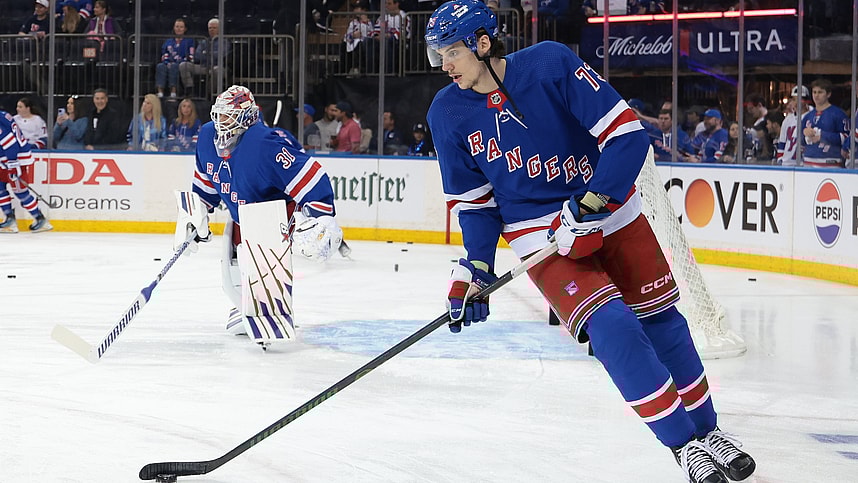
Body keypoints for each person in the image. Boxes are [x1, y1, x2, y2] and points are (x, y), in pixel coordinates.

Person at [423, 2, 755, 482]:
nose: (445, 66)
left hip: (612, 212)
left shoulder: (550, 63)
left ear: (483, 43)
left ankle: (709, 433)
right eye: (438, 56)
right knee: (614, 328)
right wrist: (475, 268)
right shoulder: (447, 112)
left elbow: (628, 137)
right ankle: (685, 446)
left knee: (664, 324)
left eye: (452, 52)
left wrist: (592, 201)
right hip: (542, 238)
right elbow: (476, 205)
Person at [182, 85, 344, 339]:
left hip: (271, 216)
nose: (221, 122)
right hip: (240, 215)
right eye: (219, 115)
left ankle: (271, 309)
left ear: (246, 117)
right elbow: (205, 182)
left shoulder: (264, 144)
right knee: (231, 271)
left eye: (229, 116)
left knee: (258, 261)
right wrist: (195, 214)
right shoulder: (206, 136)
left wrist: (321, 215)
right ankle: (245, 304)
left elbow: (311, 176)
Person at [0, 111, 52, 234]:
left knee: (20, 191)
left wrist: (12, 164)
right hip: (7, 158)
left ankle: (40, 219)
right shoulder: (3, 114)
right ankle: (9, 220)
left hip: (16, 159)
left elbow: (10, 143)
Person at [802, 78, 848, 168]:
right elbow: (800, 142)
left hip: (830, 163)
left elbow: (846, 137)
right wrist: (805, 133)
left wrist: (822, 136)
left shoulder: (838, 114)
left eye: (820, 92)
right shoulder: (807, 116)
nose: (816, 95)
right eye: (814, 92)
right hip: (808, 162)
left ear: (828, 94)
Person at [179, 18, 230, 98]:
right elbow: (197, 55)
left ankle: (209, 93)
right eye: (210, 28)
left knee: (217, 71)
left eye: (214, 28)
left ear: (219, 29)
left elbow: (221, 55)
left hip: (216, 66)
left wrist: (206, 53)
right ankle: (190, 90)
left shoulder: (224, 42)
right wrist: (210, 54)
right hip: (203, 66)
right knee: (183, 65)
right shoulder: (204, 41)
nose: (211, 30)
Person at [362, 0, 410, 73]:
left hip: (398, 41)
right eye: (386, 4)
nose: (386, 6)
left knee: (387, 42)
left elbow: (404, 32)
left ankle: (388, 73)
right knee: (368, 41)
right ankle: (370, 72)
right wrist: (376, 35)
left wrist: (388, 36)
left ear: (396, 4)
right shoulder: (383, 16)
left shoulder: (404, 16)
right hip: (382, 39)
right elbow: (376, 29)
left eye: (389, 4)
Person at [156, 18, 194, 99]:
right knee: (160, 66)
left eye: (181, 27)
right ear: (174, 28)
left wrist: (180, 61)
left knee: (174, 66)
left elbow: (191, 55)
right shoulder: (169, 41)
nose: (179, 29)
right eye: (177, 26)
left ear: (185, 29)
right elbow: (164, 53)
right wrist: (166, 62)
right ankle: (160, 91)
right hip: (168, 62)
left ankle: (173, 91)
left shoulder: (189, 41)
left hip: (181, 63)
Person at [779, 85, 812, 167]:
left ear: (806, 101)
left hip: (805, 164)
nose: (796, 103)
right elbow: (782, 142)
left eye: (799, 99)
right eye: (794, 99)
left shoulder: (813, 116)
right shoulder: (788, 119)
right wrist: (780, 159)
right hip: (787, 163)